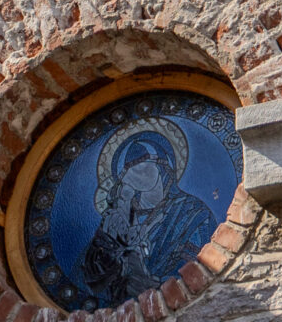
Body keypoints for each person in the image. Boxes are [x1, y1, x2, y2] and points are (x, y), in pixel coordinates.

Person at [76, 127, 214, 305]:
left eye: (144, 165)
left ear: (164, 167)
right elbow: (90, 276)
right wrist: (108, 243)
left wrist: (153, 283)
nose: (137, 172)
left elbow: (198, 268)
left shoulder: (193, 213)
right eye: (131, 168)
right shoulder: (119, 215)